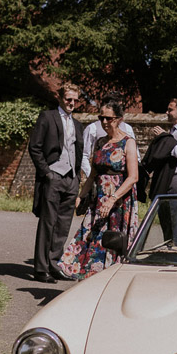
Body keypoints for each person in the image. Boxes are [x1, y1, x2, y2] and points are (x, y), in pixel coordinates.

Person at [59, 101, 139, 280]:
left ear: (118, 119)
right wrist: (81, 195)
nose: (104, 121)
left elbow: (133, 177)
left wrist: (113, 199)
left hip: (119, 200)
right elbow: (93, 174)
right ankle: (90, 274)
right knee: (90, 235)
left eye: (108, 118)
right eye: (101, 117)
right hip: (100, 197)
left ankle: (112, 277)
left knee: (114, 238)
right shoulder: (100, 142)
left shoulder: (128, 142)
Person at [28, 84, 84, 283]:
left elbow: (78, 152)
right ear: (60, 98)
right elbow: (34, 148)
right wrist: (47, 173)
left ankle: (54, 264)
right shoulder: (47, 117)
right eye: (69, 99)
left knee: (63, 225)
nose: (72, 103)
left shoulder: (78, 125)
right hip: (53, 176)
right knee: (48, 222)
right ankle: (41, 268)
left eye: (75, 100)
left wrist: (77, 178)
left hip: (71, 179)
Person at [143, 97, 177, 238]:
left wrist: (164, 137)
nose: (166, 112)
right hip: (163, 179)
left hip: (176, 180)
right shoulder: (171, 132)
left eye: (170, 109)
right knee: (166, 224)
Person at [80, 93, 135, 178]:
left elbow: (136, 159)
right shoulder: (93, 129)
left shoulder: (128, 130)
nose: (105, 122)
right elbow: (84, 155)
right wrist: (91, 175)